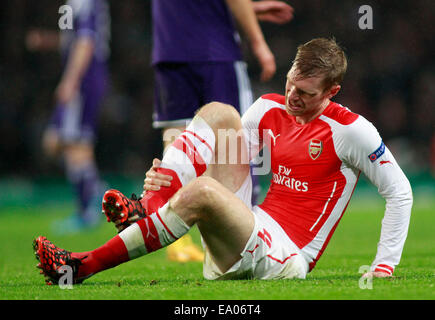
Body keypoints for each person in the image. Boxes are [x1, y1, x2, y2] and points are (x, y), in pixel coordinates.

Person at [33, 38, 412, 284]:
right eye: (291, 84)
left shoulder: (351, 130)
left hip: (285, 257)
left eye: (307, 93)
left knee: (203, 192)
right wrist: (166, 177)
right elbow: (214, 156)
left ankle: (81, 266)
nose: (293, 96)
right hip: (247, 230)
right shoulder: (268, 108)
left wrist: (383, 266)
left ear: (332, 91)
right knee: (219, 113)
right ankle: (146, 206)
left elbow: (399, 192)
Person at [149, 0, 294, 261]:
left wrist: (250, 9)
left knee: (176, 141)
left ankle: (175, 238)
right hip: (214, 50)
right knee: (235, 141)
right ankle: (247, 239)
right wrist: (258, 42)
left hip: (169, 47)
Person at [26, 0, 110, 233]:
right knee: (60, 143)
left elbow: (86, 42)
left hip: (84, 80)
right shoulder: (72, 5)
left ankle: (89, 210)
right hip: (85, 79)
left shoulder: (85, 2)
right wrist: (46, 41)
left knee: (73, 145)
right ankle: (98, 195)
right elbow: (72, 40)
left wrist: (71, 81)